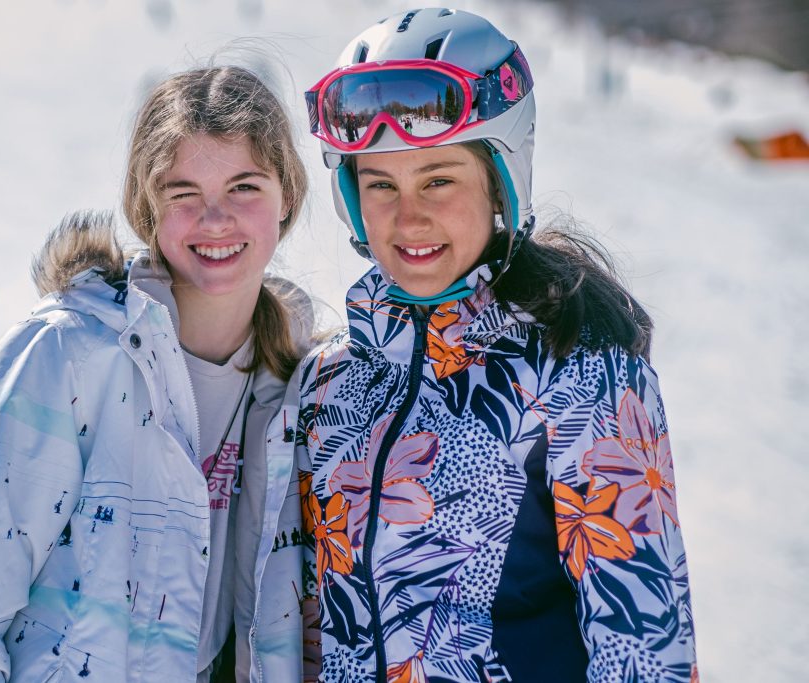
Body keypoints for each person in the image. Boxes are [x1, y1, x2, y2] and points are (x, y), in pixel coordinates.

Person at [297, 9, 697, 682]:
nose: (408, 216)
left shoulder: (580, 375)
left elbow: (644, 647)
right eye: (380, 184)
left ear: (501, 183)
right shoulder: (329, 383)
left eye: (439, 180)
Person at [0, 64, 313, 682]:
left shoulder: (304, 382)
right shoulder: (65, 355)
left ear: (287, 195)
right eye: (183, 193)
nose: (215, 219)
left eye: (244, 187)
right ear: (146, 208)